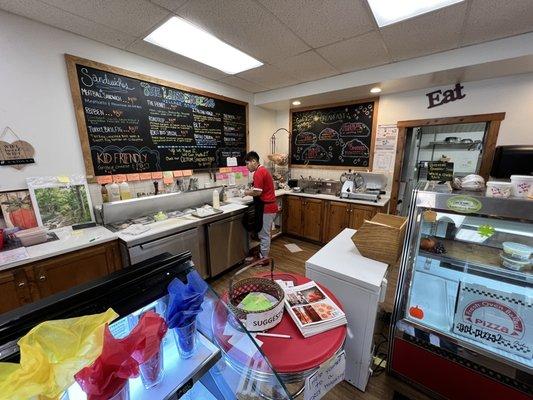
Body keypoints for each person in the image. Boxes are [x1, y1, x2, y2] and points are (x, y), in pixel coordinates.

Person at [243, 151, 278, 258]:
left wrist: (245, 192)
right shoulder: (263, 170)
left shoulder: (258, 172)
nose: (247, 167)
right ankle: (262, 254)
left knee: (264, 235)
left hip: (266, 208)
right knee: (264, 233)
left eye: (247, 163)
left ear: (254, 161)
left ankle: (264, 259)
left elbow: (257, 192)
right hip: (270, 207)